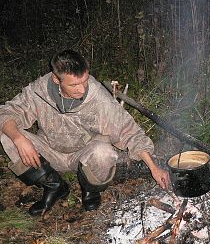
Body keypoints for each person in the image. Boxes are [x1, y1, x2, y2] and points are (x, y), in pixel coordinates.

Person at [0, 49, 170, 216]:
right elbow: (7, 113)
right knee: (7, 134)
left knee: (103, 152)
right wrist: (18, 138)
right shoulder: (39, 91)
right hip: (49, 152)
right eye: (74, 85)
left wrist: (154, 168)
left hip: (84, 156)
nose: (81, 89)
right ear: (56, 79)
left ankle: (90, 190)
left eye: (85, 81)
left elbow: (129, 131)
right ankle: (54, 186)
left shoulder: (97, 96)